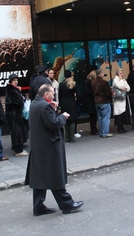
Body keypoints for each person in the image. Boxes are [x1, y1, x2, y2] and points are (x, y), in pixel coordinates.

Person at [24, 84, 84, 216]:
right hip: (49, 147)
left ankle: (38, 206)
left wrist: (53, 110)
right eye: (52, 93)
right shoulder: (45, 106)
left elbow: (45, 120)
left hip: (39, 146)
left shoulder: (35, 103)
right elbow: (53, 124)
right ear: (46, 95)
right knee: (55, 176)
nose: (54, 96)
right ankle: (67, 204)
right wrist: (63, 116)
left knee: (40, 178)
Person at [5, 73, 29, 156]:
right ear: (10, 82)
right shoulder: (12, 90)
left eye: (16, 80)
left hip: (14, 113)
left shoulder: (13, 89)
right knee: (17, 131)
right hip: (14, 113)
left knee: (17, 131)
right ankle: (18, 150)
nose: (16, 82)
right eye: (14, 80)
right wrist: (21, 96)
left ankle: (18, 145)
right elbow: (19, 101)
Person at [91, 69, 113, 138]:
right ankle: (105, 132)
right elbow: (108, 92)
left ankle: (101, 131)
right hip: (104, 101)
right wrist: (110, 98)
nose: (103, 74)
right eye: (103, 73)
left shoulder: (93, 82)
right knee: (106, 117)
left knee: (100, 117)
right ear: (100, 74)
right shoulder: (104, 82)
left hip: (97, 101)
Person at [59, 70, 79, 143]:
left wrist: (60, 104)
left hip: (64, 103)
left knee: (66, 119)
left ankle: (67, 137)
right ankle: (71, 137)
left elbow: (60, 95)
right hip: (72, 102)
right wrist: (77, 102)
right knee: (72, 120)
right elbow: (78, 94)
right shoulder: (73, 84)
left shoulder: (61, 84)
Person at [112, 68, 132, 133]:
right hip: (118, 99)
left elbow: (128, 88)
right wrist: (122, 82)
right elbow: (120, 86)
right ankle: (119, 127)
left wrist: (125, 88)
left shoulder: (123, 80)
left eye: (122, 73)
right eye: (120, 73)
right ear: (117, 74)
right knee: (119, 113)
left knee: (123, 112)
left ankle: (122, 126)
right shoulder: (115, 80)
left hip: (123, 98)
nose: (122, 75)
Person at [83, 70, 99, 135]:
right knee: (93, 116)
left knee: (93, 116)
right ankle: (93, 129)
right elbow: (88, 92)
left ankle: (94, 129)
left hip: (91, 101)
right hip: (90, 101)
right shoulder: (88, 82)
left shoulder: (87, 82)